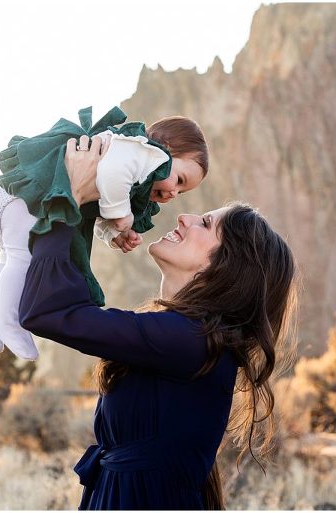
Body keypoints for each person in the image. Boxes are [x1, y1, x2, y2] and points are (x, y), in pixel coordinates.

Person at [17, 138, 299, 509]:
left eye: (206, 223)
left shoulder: (190, 341)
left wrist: (67, 193)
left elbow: (50, 313)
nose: (184, 216)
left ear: (224, 264)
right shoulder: (185, 336)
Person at [0, 107, 208, 360]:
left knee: (9, 259)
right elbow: (112, 176)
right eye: (179, 180)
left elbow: (96, 207)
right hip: (28, 197)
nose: (173, 194)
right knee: (21, 260)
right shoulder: (139, 151)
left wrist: (111, 233)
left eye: (182, 193)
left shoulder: (135, 167)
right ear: (164, 147)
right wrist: (121, 213)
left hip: (14, 201)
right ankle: (9, 323)